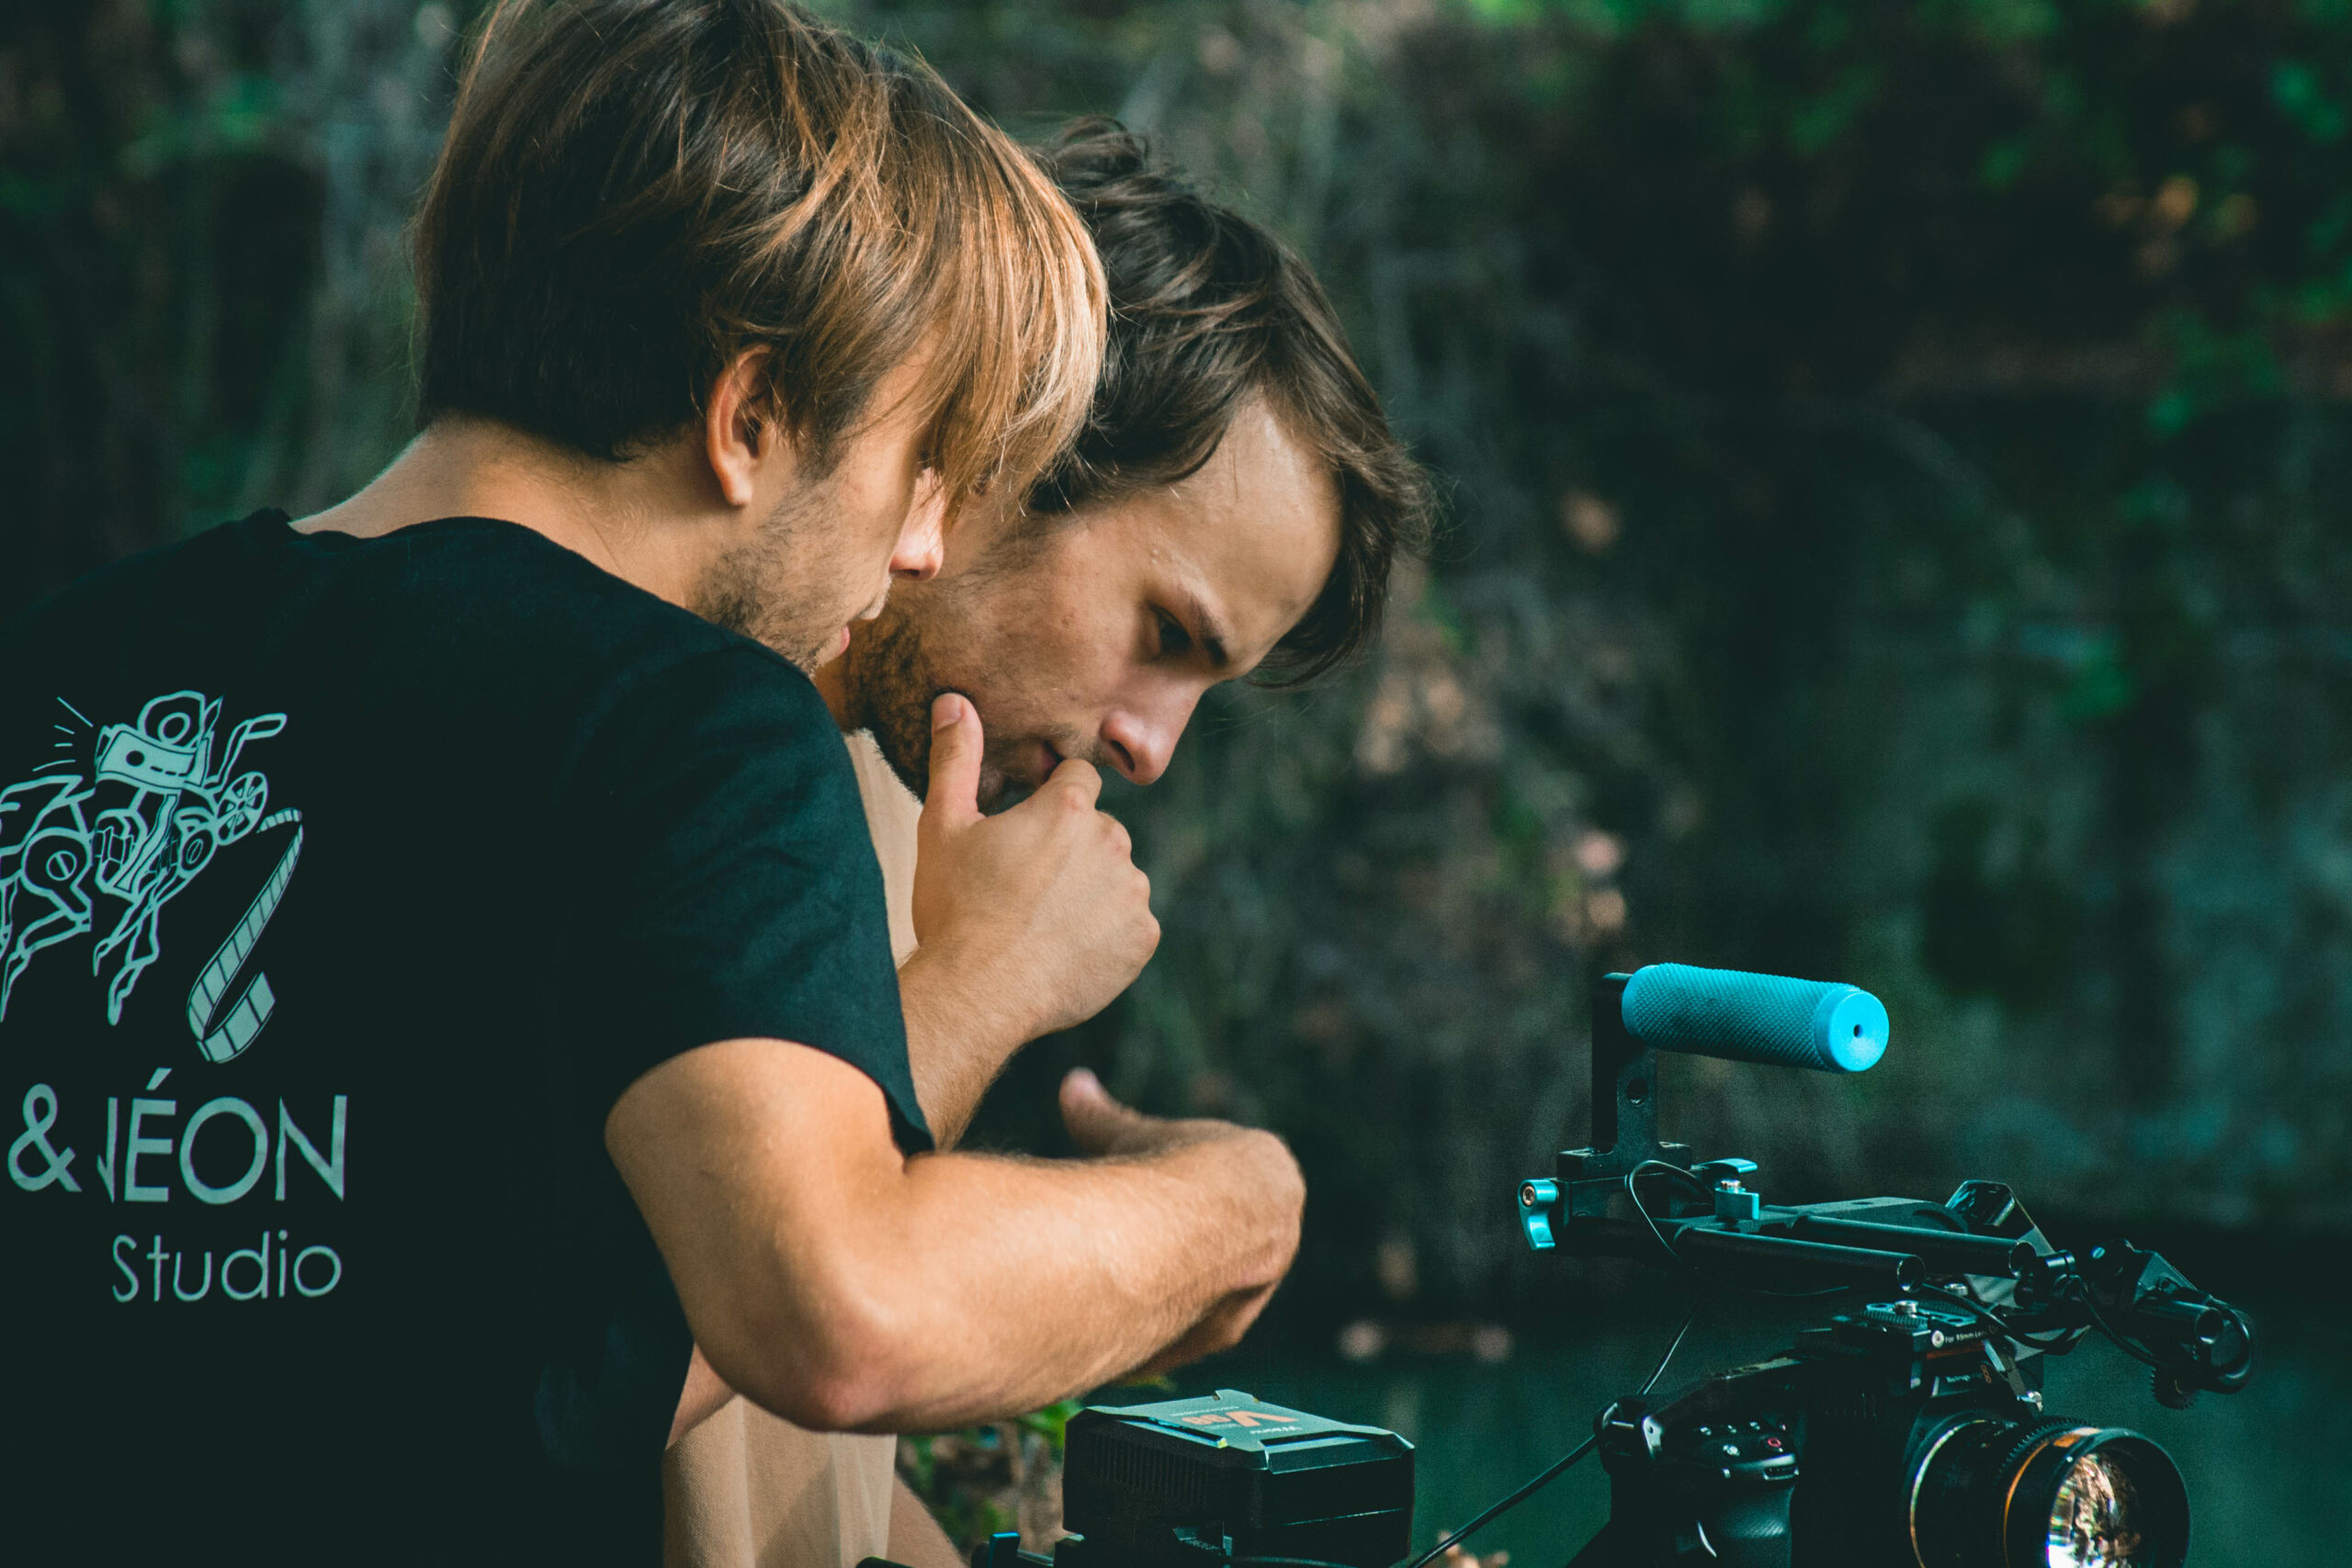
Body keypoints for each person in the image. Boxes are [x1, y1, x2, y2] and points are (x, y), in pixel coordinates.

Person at [0, 9, 1301, 1565]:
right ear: (749, 420)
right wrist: (1237, 1207)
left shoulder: (68, 654)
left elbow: (527, 1372)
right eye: (918, 465)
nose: (920, 551)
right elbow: (843, 1312)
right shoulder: (692, 727)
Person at [663, 118, 1436, 1567]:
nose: (1152, 746)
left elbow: (793, 1465)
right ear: (1005, 446)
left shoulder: (904, 781)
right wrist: (994, 997)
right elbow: (628, 1366)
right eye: (1164, 637)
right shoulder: (673, 754)